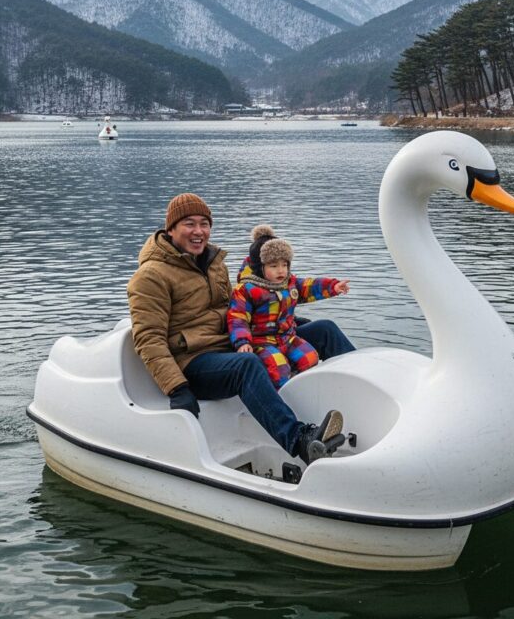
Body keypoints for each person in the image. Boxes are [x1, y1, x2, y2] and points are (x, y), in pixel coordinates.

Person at [127, 193, 352, 465]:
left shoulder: (213, 263)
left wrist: (286, 322)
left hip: (231, 343)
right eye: (189, 224)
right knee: (246, 365)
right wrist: (177, 388)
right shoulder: (151, 276)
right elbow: (148, 339)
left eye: (204, 223)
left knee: (322, 329)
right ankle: (300, 440)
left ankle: (370, 390)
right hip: (194, 362)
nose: (199, 231)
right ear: (171, 228)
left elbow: (236, 308)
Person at [228, 225, 350, 388]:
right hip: (262, 342)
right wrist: (242, 342)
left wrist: (333, 287)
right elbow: (238, 318)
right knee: (279, 368)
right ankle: (284, 395)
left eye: (284, 265)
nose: (281, 271)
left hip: (288, 337)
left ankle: (304, 388)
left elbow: (309, 286)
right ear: (260, 267)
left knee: (310, 357)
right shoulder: (246, 289)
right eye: (273, 266)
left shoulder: (289, 283)